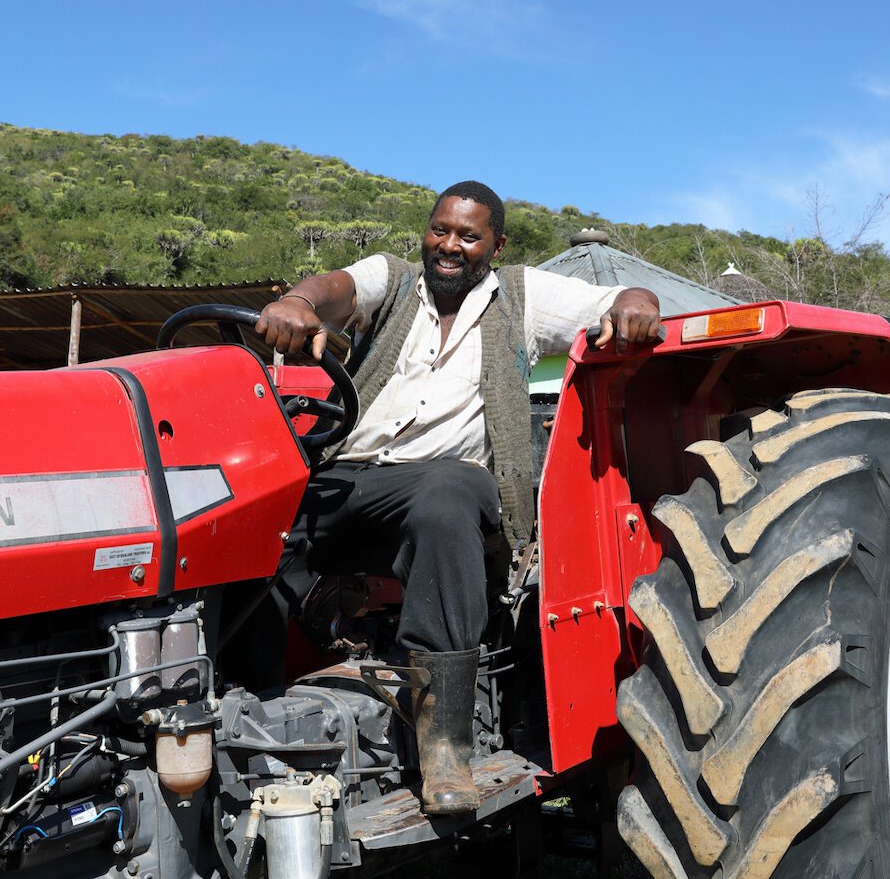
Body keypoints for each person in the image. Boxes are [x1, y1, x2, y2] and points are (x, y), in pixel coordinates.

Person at [252, 180, 660, 815]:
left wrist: (637, 302)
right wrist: (301, 301)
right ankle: (243, 707)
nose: (450, 245)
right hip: (352, 473)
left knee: (446, 491)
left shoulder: (520, 296)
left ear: (496, 245)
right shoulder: (393, 282)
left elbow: (616, 299)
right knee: (244, 516)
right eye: (440, 230)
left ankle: (445, 744)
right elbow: (339, 286)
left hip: (446, 485)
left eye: (469, 236)